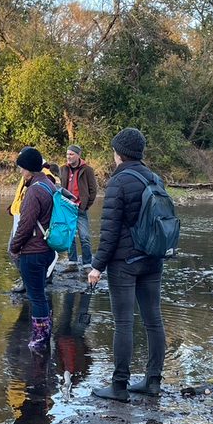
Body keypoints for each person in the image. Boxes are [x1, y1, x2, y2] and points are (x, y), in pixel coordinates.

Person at [88, 128, 167, 402]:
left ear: (119, 153)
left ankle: (119, 385)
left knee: (123, 323)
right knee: (154, 320)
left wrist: (97, 266)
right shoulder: (156, 179)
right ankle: (153, 381)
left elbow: (109, 232)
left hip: (124, 262)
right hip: (154, 259)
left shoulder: (118, 182)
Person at [9, 147, 56, 353]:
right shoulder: (49, 185)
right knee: (41, 295)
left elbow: (25, 224)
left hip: (33, 252)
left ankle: (40, 338)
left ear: (29, 168)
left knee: (36, 297)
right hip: (47, 249)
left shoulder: (34, 190)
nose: (21, 172)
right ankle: (46, 333)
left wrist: (14, 246)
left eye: (22, 168)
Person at [60, 145, 98, 268]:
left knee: (85, 236)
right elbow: (62, 187)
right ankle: (73, 262)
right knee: (69, 235)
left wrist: (86, 205)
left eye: (71, 154)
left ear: (78, 155)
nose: (68, 157)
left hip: (81, 207)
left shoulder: (87, 170)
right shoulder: (63, 169)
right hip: (67, 207)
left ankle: (87, 263)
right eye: (67, 154)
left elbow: (93, 190)